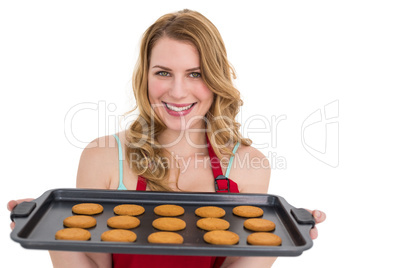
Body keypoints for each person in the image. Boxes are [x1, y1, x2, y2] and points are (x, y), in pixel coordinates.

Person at [8, 9, 326, 268]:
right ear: (145, 76)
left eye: (195, 73)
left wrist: (280, 240)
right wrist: (46, 232)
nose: (176, 91)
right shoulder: (104, 157)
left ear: (216, 79)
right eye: (163, 72)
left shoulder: (248, 165)